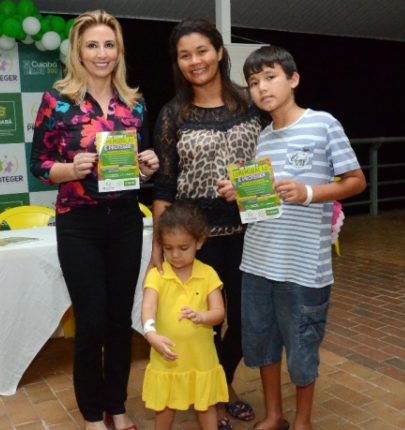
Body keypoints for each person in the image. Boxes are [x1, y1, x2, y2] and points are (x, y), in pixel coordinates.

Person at [218, 45, 366, 430]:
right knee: (262, 344)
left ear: (293, 79)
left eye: (270, 77)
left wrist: (308, 193)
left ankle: (303, 421)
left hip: (303, 269)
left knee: (301, 348)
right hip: (257, 262)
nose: (262, 88)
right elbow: (262, 205)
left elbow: (356, 181)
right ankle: (274, 415)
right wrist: (240, 193)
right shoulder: (263, 138)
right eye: (254, 82)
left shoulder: (323, 124)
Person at [29, 10, 158, 430]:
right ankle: (91, 415)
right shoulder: (57, 101)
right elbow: (38, 165)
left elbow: (138, 168)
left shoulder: (135, 104)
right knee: (91, 322)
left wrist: (148, 167)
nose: (101, 53)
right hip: (78, 224)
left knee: (120, 320)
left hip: (125, 221)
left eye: (109, 45)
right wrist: (70, 169)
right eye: (92, 45)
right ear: (78, 52)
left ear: (119, 51)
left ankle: (116, 407)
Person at [151, 18, 265, 428]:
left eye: (202, 51)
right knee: (203, 326)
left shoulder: (252, 103)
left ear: (219, 52)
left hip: (252, 233)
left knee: (247, 321)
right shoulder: (172, 114)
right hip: (197, 243)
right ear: (178, 62)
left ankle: (222, 381)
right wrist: (159, 249)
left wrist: (250, 189)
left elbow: (272, 163)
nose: (195, 61)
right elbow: (164, 186)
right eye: (185, 55)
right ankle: (216, 397)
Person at [141, 202, 229, 430]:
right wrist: (150, 333)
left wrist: (202, 317)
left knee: (206, 405)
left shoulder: (208, 274)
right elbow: (148, 307)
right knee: (165, 407)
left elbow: (219, 313)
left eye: (183, 248)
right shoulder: (157, 275)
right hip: (167, 358)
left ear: (199, 242)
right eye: (168, 248)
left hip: (201, 359)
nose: (175, 255)